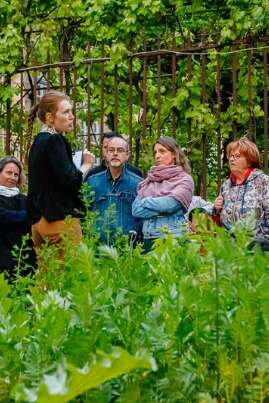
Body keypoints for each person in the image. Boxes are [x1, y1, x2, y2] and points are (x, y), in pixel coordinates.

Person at [27, 90, 93, 251]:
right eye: (66, 112)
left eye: (71, 111)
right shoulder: (55, 139)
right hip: (59, 220)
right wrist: (86, 164)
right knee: (72, 273)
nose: (72, 116)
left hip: (38, 222)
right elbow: (70, 180)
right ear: (50, 117)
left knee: (47, 275)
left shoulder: (38, 142)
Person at [132, 136, 194, 250]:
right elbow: (136, 210)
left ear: (174, 154)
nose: (157, 156)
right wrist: (160, 208)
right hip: (147, 239)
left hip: (172, 239)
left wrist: (145, 201)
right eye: (155, 152)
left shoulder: (184, 179)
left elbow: (170, 205)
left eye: (162, 151)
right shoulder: (150, 179)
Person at [86, 136, 142, 243]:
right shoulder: (93, 181)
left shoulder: (138, 184)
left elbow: (143, 217)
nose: (115, 153)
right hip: (97, 247)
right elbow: (83, 212)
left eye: (120, 150)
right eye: (111, 150)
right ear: (105, 154)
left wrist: (135, 233)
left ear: (127, 155)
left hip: (126, 248)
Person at [213, 136, 269, 244]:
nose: (231, 159)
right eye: (230, 156)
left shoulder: (264, 182)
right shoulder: (225, 186)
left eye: (237, 156)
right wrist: (216, 209)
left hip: (258, 248)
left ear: (249, 161)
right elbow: (218, 223)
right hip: (230, 249)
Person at [0, 156, 36, 278]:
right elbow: (4, 217)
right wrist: (27, 216)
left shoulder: (23, 199)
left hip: (25, 259)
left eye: (16, 174)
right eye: (8, 173)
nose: (12, 177)